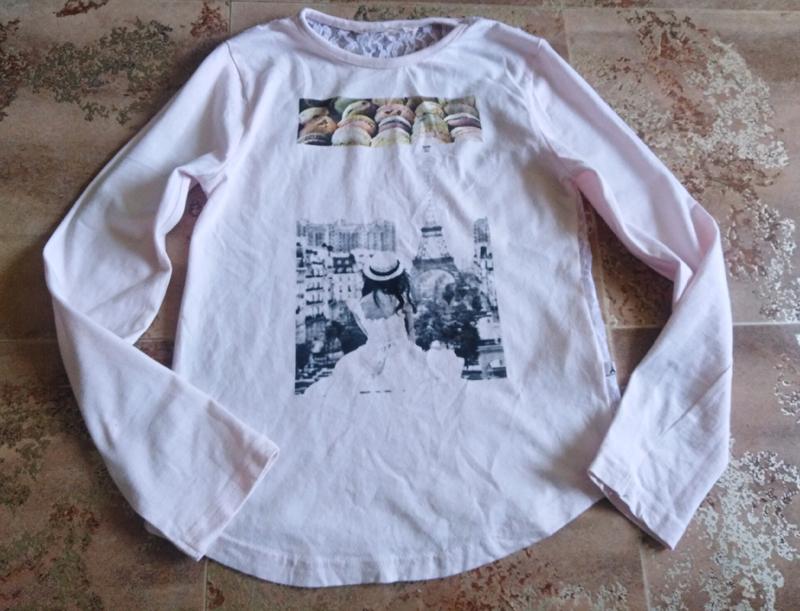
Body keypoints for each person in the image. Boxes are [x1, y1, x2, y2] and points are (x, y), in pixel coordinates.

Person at [304, 251, 463, 400]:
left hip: (371, 355)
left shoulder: (359, 305)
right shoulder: (402, 301)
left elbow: (368, 333)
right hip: (402, 356)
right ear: (397, 277)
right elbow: (410, 335)